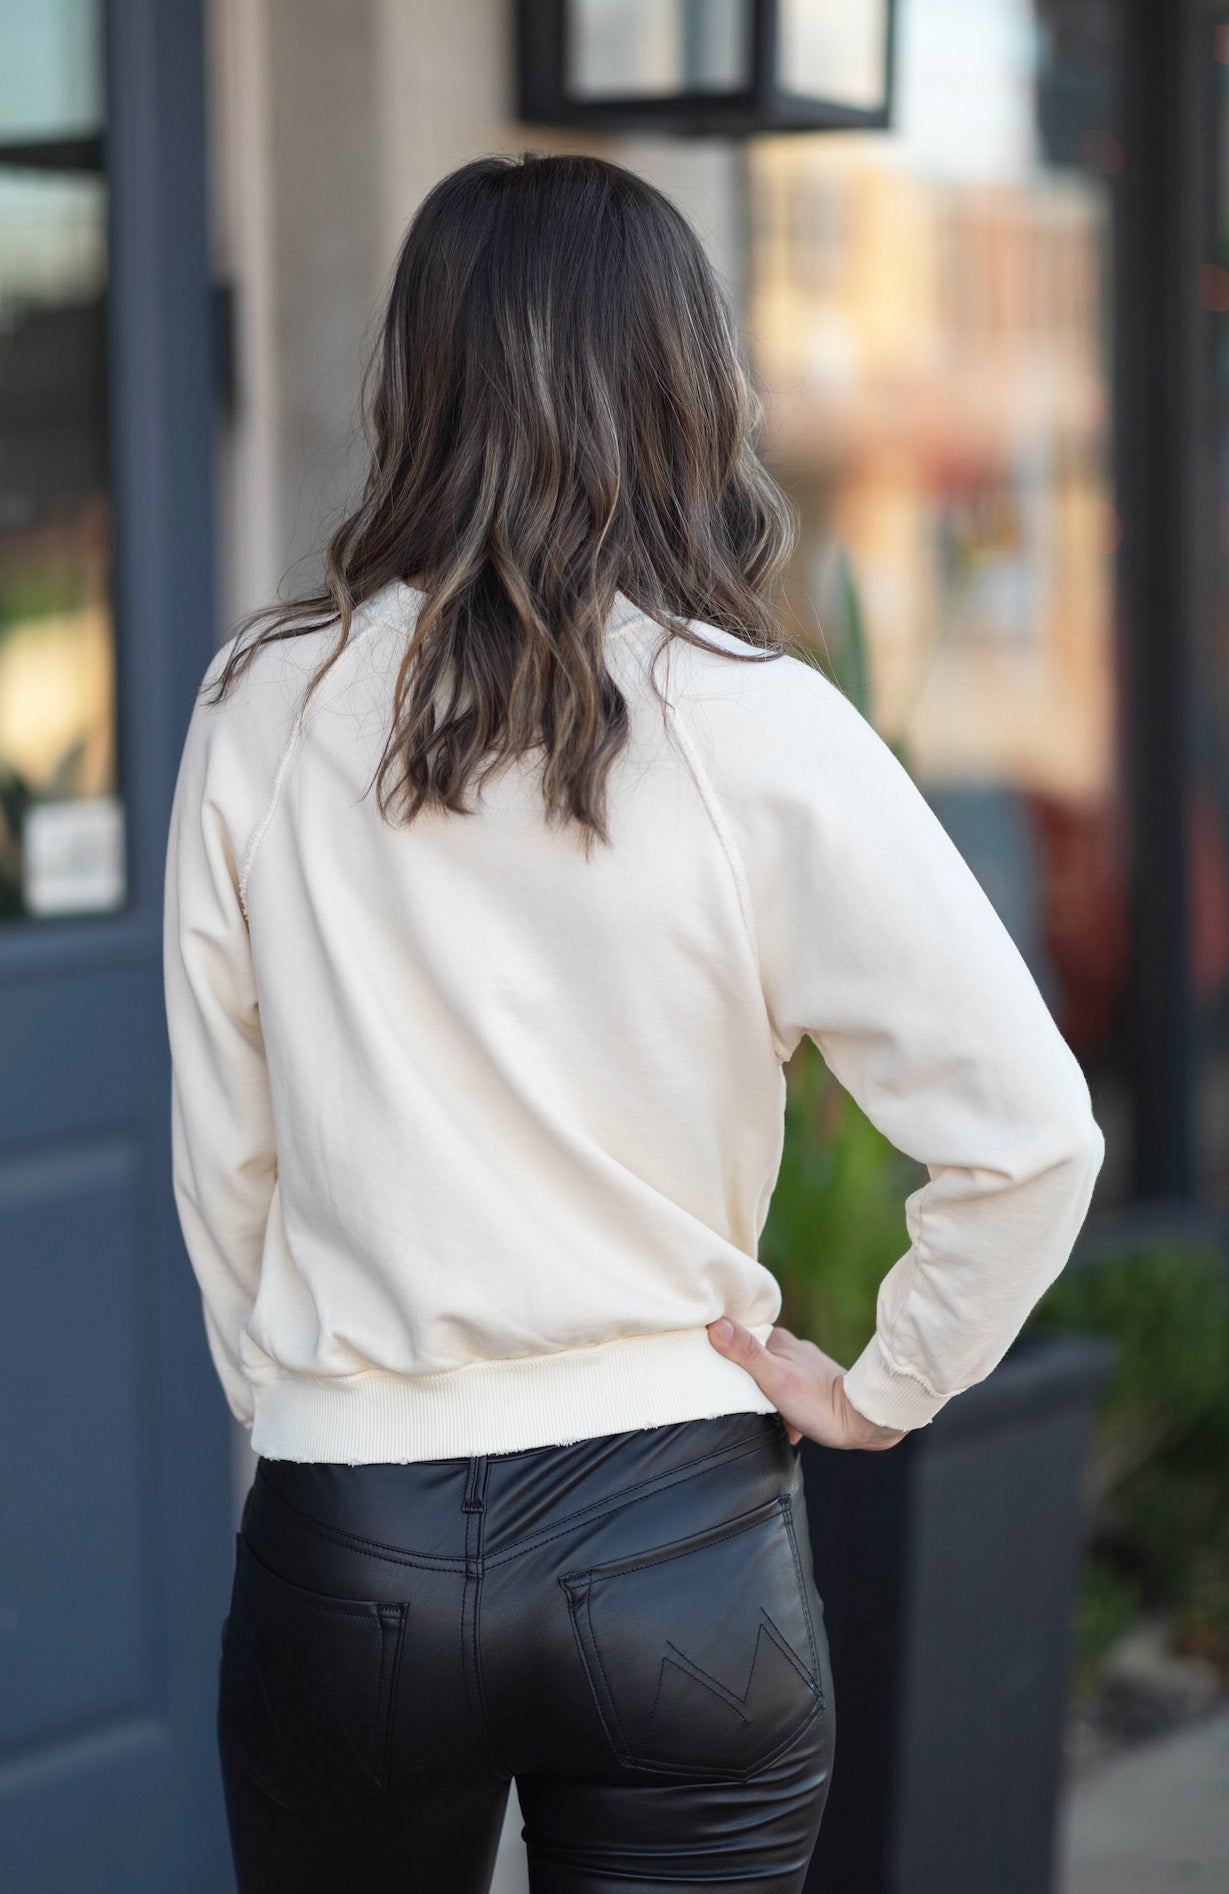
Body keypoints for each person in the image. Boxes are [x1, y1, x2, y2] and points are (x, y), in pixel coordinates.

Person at [162, 151, 1105, 1893]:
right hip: (678, 1536)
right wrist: (888, 1387)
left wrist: (319, 1405)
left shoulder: (257, 703)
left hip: (351, 1525)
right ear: (683, 380)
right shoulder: (758, 722)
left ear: (417, 377)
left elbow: (231, 1160)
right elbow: (1030, 1133)